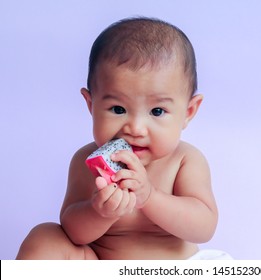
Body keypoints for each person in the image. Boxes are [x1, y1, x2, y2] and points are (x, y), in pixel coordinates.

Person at [16, 17, 231, 260]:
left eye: (157, 111)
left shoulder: (184, 160)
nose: (136, 128)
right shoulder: (86, 161)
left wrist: (149, 196)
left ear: (188, 112)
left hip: (176, 267)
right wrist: (99, 213)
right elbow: (74, 233)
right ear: (91, 104)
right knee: (45, 236)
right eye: (118, 109)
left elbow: (203, 228)